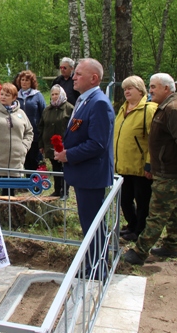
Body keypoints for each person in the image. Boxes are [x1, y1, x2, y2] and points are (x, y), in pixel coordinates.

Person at [123, 73, 177, 266]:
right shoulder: (165, 107)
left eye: (153, 87)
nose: (150, 90)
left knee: (157, 213)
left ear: (166, 88)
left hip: (170, 169)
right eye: (150, 86)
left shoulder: (173, 109)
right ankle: (172, 245)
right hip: (167, 168)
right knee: (175, 210)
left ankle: (140, 252)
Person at [54, 58, 114, 276]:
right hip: (84, 174)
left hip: (91, 175)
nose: (74, 77)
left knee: (93, 225)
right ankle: (93, 263)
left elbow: (97, 144)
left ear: (94, 78)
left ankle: (97, 269)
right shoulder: (84, 100)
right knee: (89, 223)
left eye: (79, 74)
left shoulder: (98, 103)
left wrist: (68, 155)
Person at [113, 76, 157, 242]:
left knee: (142, 200)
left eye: (130, 88)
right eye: (125, 89)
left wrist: (149, 163)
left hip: (140, 166)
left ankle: (140, 230)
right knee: (124, 200)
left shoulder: (148, 109)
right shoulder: (123, 109)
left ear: (140, 90)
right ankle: (131, 225)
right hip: (122, 164)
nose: (127, 92)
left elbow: (154, 139)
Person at [0, 83, 33, 196]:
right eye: (1, 94)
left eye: (7, 95)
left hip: (14, 162)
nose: (3, 97)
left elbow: (29, 132)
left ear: (14, 97)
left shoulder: (21, 113)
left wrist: (24, 147)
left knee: (9, 197)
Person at [38, 85, 73, 199]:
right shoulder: (47, 110)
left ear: (62, 94)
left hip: (64, 144)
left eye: (56, 94)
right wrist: (41, 144)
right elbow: (41, 127)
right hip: (49, 144)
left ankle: (65, 191)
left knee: (65, 168)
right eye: (52, 94)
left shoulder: (69, 108)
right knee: (55, 167)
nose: (54, 96)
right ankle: (57, 190)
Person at [16, 70, 46, 172]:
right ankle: (24, 181)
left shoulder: (37, 95)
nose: (24, 82)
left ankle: (34, 181)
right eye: (22, 80)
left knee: (34, 160)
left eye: (27, 80)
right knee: (23, 160)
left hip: (34, 134)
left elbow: (44, 113)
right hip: (19, 133)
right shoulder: (15, 95)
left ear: (31, 82)